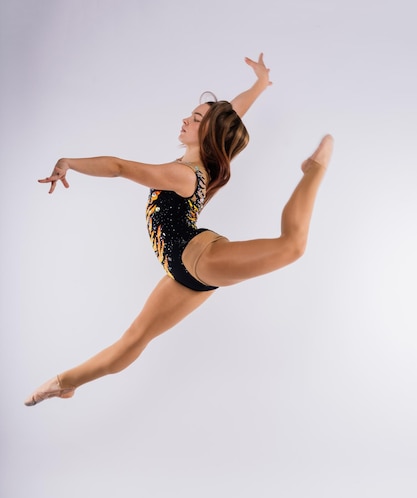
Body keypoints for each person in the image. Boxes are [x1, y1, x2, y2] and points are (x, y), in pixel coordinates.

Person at [24, 54, 333, 406]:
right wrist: (259, 85)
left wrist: (69, 163)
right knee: (134, 340)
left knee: (292, 246)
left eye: (196, 118)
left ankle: (314, 168)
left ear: (209, 132)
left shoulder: (184, 175)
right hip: (182, 271)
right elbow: (233, 114)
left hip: (200, 256)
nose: (186, 118)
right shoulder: (207, 166)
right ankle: (64, 382)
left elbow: (119, 166)